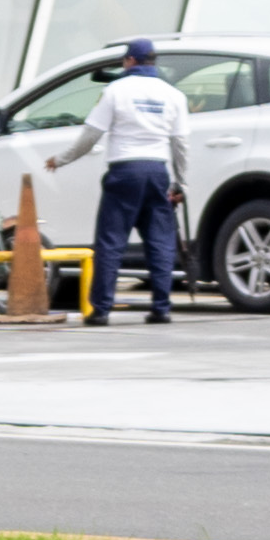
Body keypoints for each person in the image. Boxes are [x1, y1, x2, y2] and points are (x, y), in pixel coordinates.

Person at [47, 36, 191, 325]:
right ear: (153, 61)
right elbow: (181, 143)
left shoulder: (116, 90)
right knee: (160, 242)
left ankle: (101, 309)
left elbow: (91, 135)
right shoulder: (173, 95)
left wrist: (61, 159)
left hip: (125, 171)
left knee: (111, 241)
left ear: (130, 61)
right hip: (157, 172)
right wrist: (181, 183)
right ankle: (161, 307)